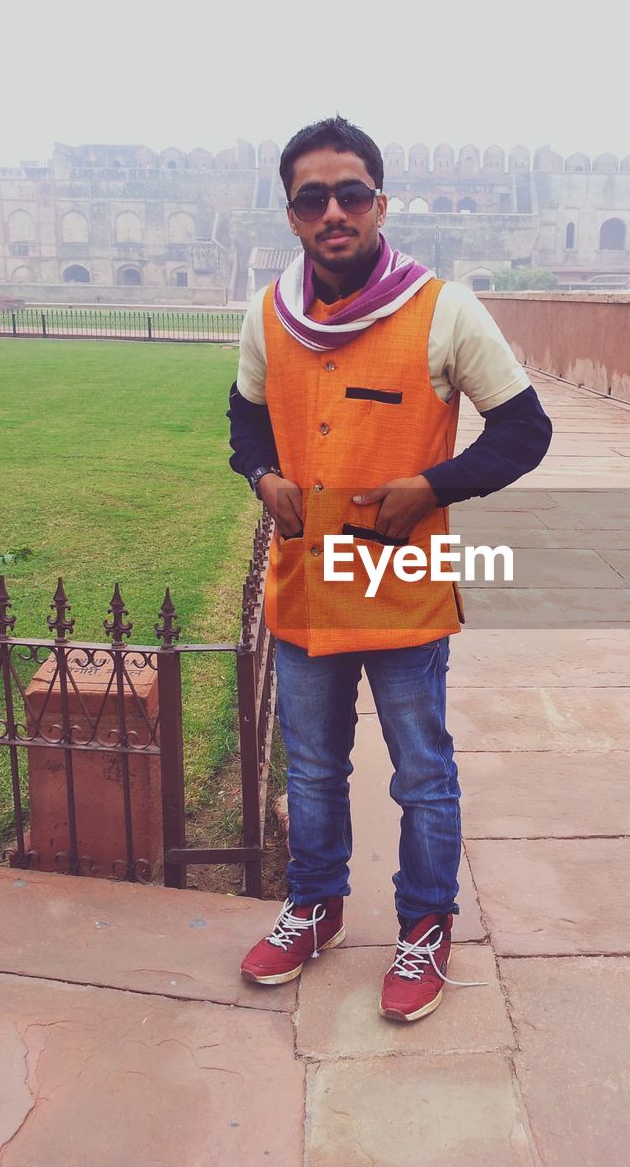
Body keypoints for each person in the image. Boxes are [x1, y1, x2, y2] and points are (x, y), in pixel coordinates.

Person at [227, 116, 551, 1022]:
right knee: (316, 770)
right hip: (305, 587)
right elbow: (245, 417)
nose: (333, 212)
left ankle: (425, 926)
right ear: (291, 213)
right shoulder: (268, 314)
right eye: (312, 198)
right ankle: (316, 905)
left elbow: (526, 429)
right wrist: (262, 474)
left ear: (380, 201)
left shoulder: (443, 309)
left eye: (351, 194)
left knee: (421, 772)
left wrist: (434, 485)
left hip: (400, 590)